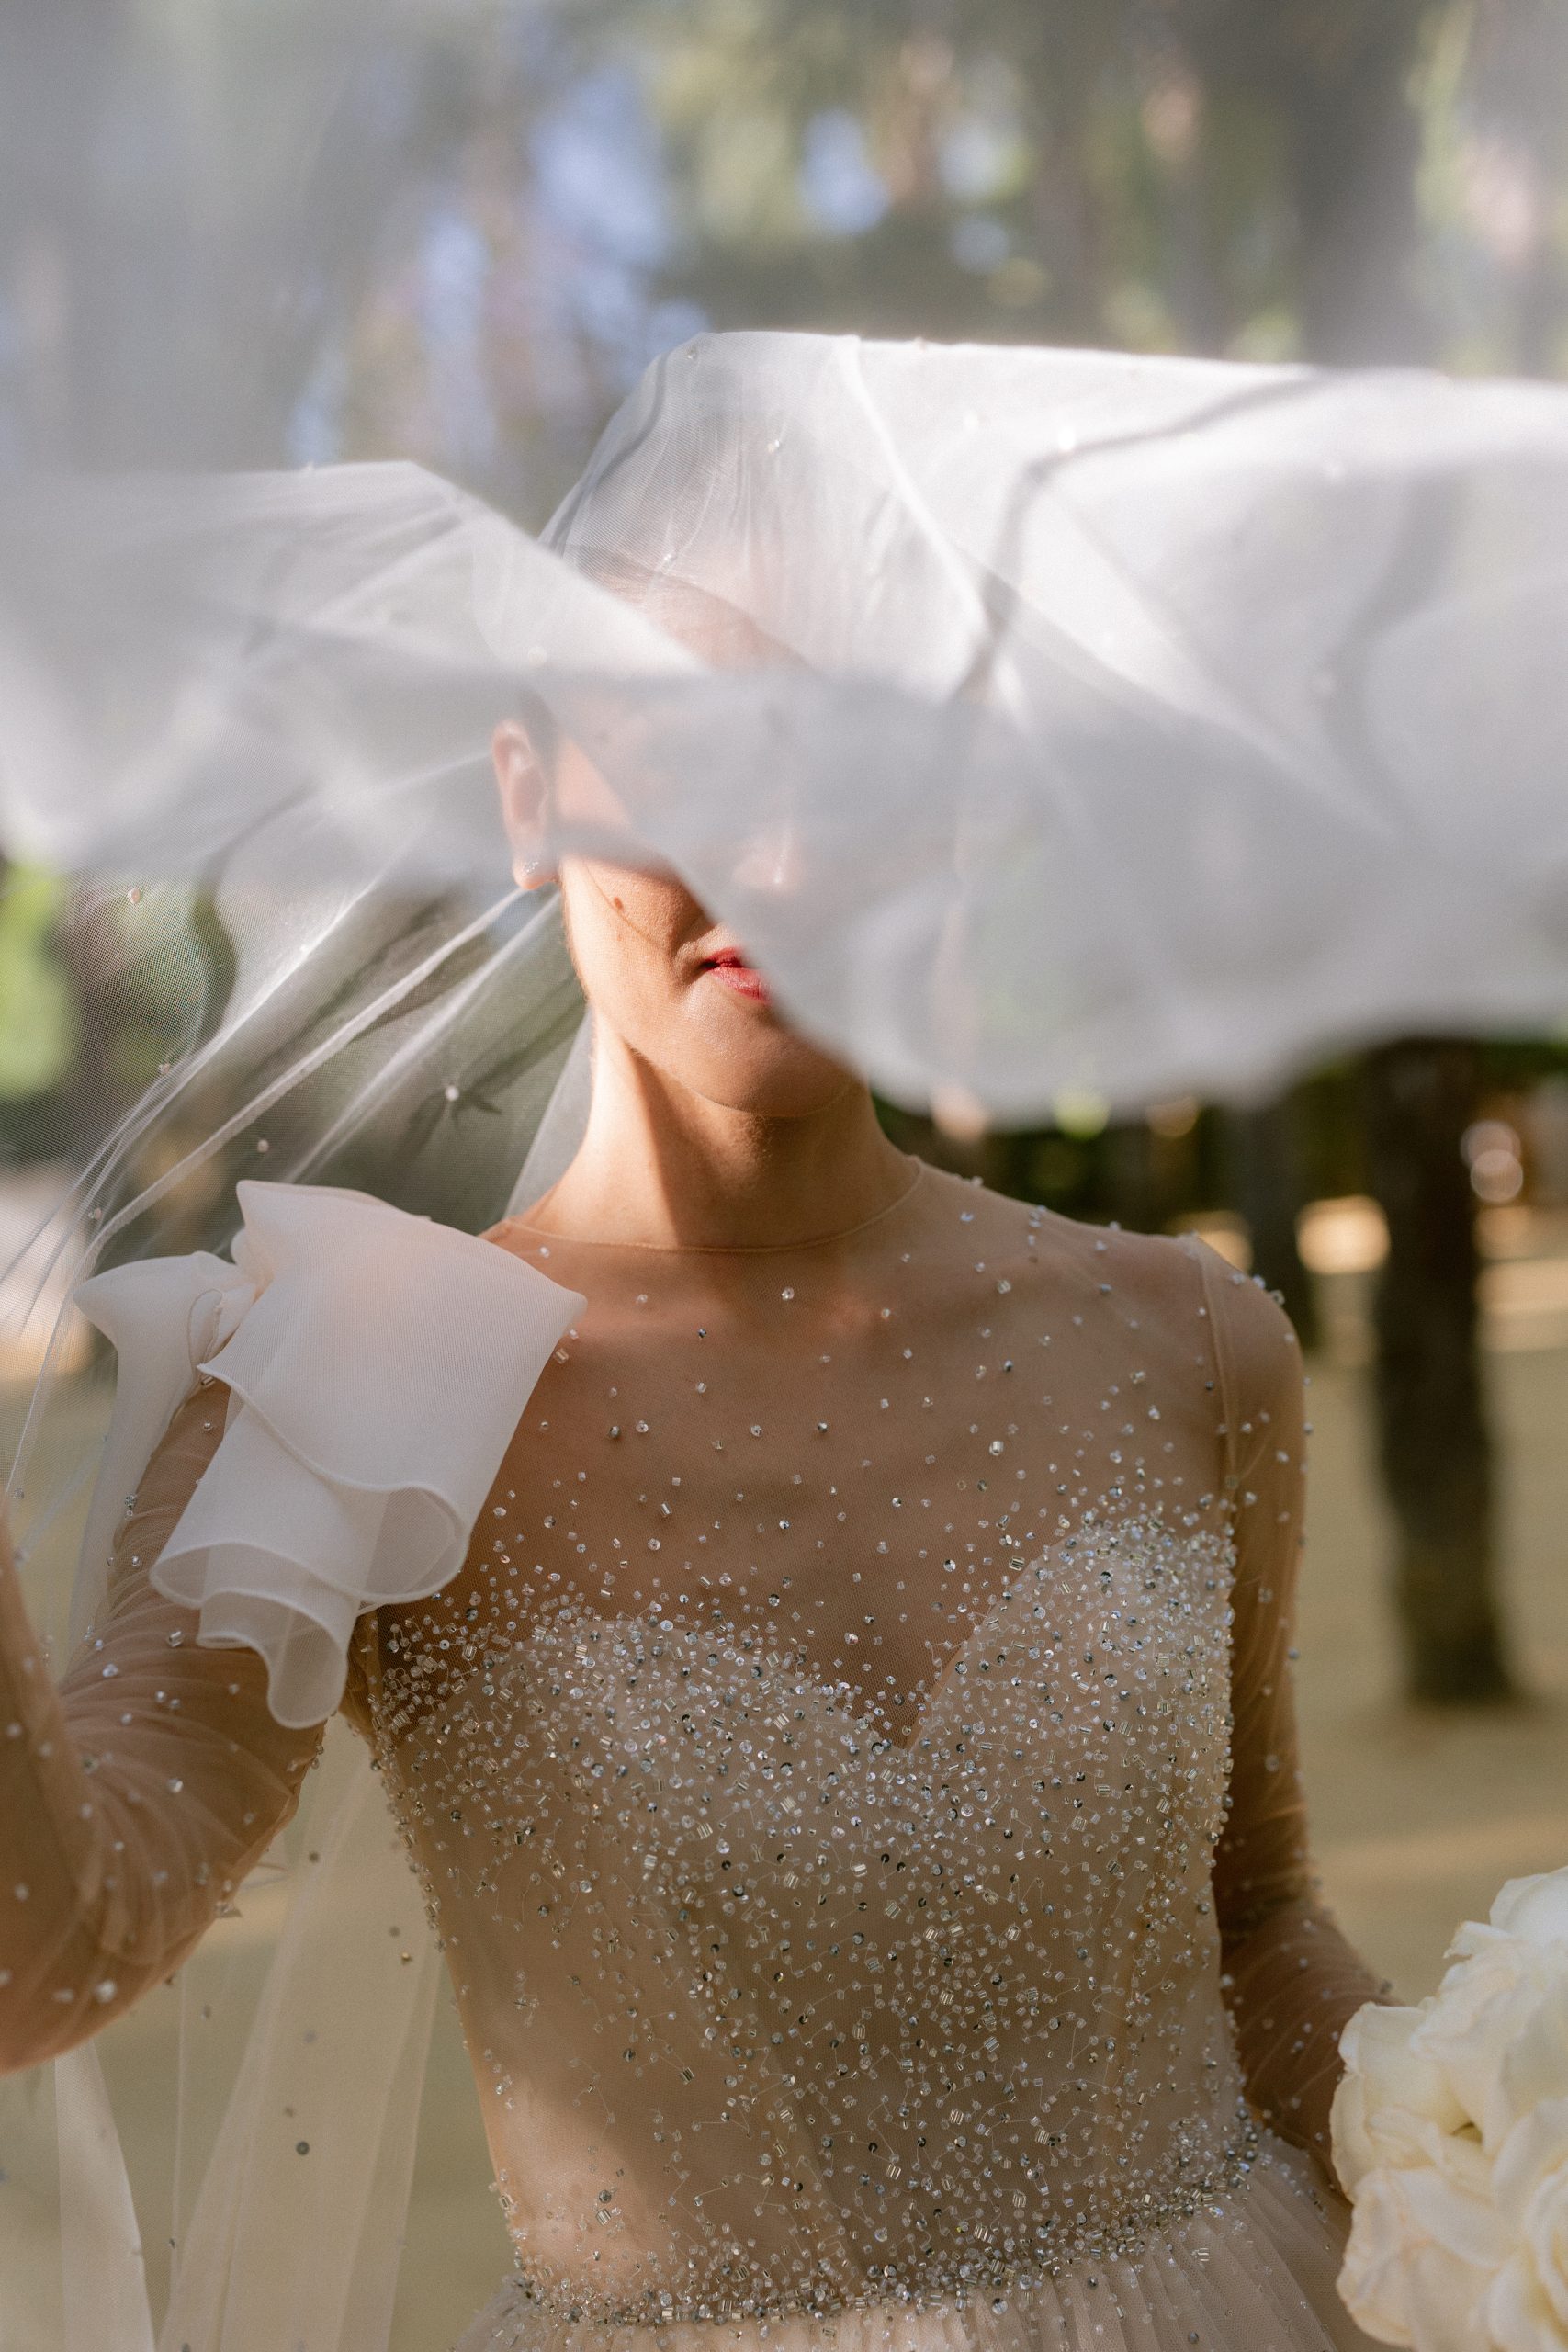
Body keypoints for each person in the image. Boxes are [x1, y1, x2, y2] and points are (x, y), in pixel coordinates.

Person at [0, 675, 1389, 2352]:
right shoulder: (351, 1372)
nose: (786, 856)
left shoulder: (1186, 1340)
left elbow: (1256, 1928)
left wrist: (1494, 2153)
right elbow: (47, 1953)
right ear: (528, 797)